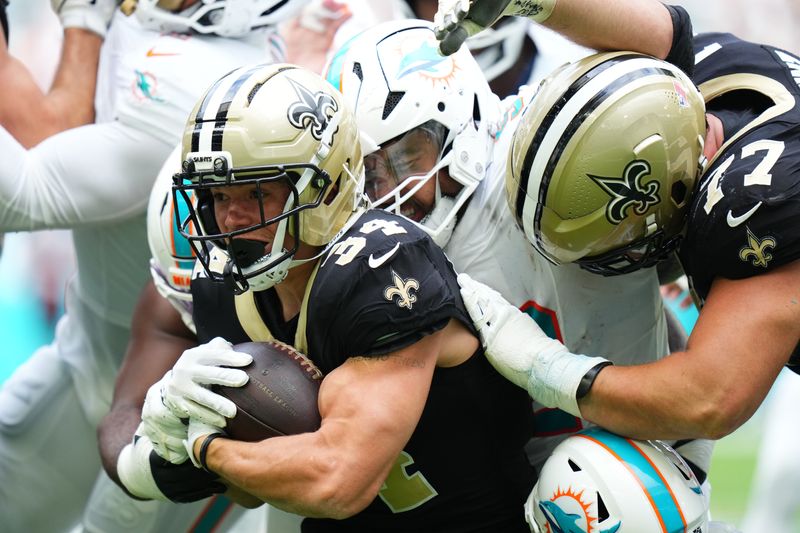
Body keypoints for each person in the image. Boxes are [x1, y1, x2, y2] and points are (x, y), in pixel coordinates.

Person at [122, 62, 537, 531]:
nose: (232, 220)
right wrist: (178, 419)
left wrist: (203, 448)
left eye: (256, 193)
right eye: (218, 197)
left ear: (328, 187)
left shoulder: (382, 263)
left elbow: (339, 479)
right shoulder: (222, 289)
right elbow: (246, 490)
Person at [325, 10, 713, 479]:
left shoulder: (547, 161)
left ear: (461, 124)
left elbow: (669, 60)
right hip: (502, 485)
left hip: (633, 461)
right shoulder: (360, 234)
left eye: (406, 157)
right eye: (368, 171)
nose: (386, 192)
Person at [0, 1, 307, 531]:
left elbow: (24, 190)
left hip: (191, 414)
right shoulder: (196, 43)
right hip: (91, 359)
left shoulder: (194, 90)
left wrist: (83, 20)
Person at [450, 28, 800, 443]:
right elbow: (662, 22)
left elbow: (707, 399)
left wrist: (543, 367)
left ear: (675, 189)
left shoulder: (759, 200)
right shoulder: (688, 69)